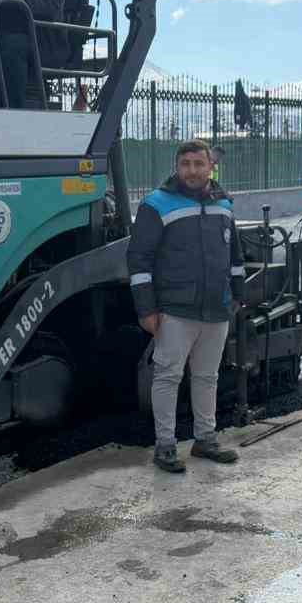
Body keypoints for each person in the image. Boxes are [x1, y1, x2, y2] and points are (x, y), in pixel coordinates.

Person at [127, 139, 245, 473]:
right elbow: (139, 260)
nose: (191, 170)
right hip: (175, 310)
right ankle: (165, 446)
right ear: (177, 167)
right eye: (185, 164)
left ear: (211, 166)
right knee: (167, 376)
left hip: (216, 308)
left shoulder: (224, 204)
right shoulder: (157, 205)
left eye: (198, 163)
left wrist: (236, 294)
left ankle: (205, 440)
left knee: (207, 377)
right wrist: (146, 310)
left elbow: (234, 255)